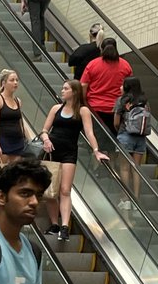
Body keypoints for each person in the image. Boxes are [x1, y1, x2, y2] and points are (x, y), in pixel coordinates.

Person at [39, 79, 110, 240]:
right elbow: (44, 130)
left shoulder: (83, 111)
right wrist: (46, 139)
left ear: (74, 92)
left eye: (66, 89)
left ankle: (64, 226)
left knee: (65, 190)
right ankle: (54, 224)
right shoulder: (56, 108)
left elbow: (89, 132)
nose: (62, 91)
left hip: (69, 152)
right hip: (52, 151)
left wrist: (96, 151)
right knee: (51, 192)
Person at [80, 38, 133, 142]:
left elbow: (83, 87)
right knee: (113, 142)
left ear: (101, 49)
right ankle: (112, 157)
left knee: (95, 141)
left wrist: (84, 103)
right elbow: (130, 88)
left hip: (95, 109)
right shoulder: (125, 65)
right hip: (116, 111)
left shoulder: (92, 64)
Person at [113, 76, 151, 206]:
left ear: (127, 87)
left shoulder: (122, 100)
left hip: (125, 135)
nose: (120, 87)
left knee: (124, 168)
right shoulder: (144, 102)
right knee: (136, 169)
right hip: (140, 139)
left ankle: (125, 198)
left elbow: (116, 122)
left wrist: (121, 130)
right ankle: (136, 199)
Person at [0, 69, 27, 165]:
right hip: (3, 141)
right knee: (3, 173)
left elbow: (20, 122)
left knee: (17, 174)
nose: (15, 83)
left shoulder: (18, 101)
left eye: (17, 80)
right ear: (3, 83)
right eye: (12, 80)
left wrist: (30, 140)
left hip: (18, 141)